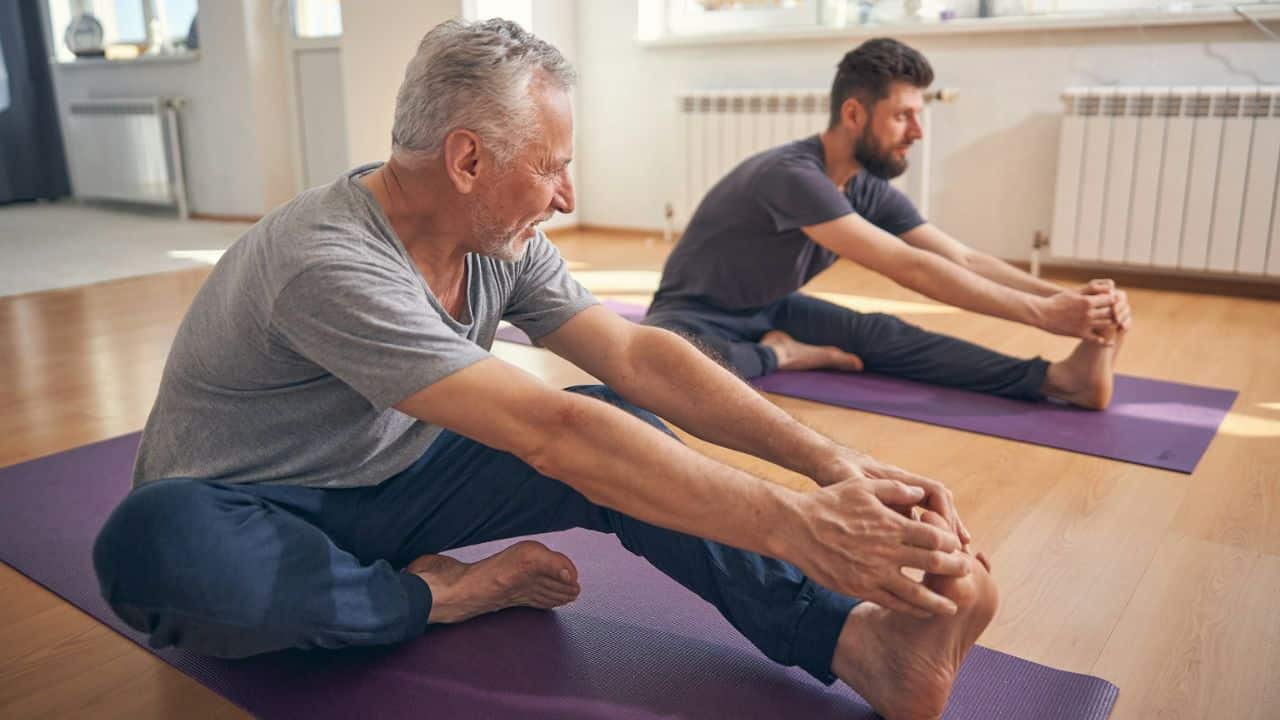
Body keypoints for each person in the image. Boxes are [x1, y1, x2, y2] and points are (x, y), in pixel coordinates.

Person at [92, 21, 996, 720]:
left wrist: (832, 466)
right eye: (552, 169)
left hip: (394, 483)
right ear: (468, 159)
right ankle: (432, 596)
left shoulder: (498, 236)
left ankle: (855, 646)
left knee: (619, 421)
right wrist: (797, 525)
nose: (567, 196)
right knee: (148, 547)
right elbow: (547, 431)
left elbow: (637, 355)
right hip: (253, 511)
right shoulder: (326, 258)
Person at [645, 37, 1132, 410]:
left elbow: (961, 258)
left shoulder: (862, 183)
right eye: (903, 116)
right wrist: (1045, 317)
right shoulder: (793, 176)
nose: (918, 132)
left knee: (882, 335)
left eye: (918, 116)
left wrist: (1069, 302)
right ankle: (785, 356)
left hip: (772, 307)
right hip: (693, 314)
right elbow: (910, 267)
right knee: (670, 370)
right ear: (854, 113)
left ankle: (1062, 381)